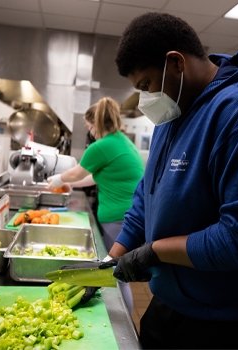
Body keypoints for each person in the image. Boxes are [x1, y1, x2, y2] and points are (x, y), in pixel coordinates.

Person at [107, 12, 238, 349]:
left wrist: (154, 252)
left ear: (176, 63)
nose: (146, 98)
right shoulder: (173, 115)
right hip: (184, 300)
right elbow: (146, 194)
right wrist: (113, 257)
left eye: (146, 84)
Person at [47, 97, 144, 310]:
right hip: (129, 215)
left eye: (89, 126)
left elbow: (77, 172)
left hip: (119, 219)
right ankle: (125, 316)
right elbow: (95, 176)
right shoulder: (120, 141)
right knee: (119, 272)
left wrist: (59, 179)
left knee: (115, 273)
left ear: (96, 123)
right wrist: (72, 185)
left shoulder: (102, 145)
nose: (90, 131)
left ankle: (124, 324)